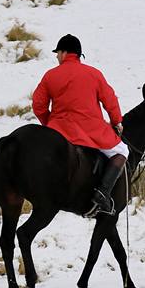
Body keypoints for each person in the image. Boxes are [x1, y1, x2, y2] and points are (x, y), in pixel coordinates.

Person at [32, 34, 127, 217]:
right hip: (91, 132)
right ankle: (102, 192)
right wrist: (117, 122)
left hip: (58, 132)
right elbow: (110, 100)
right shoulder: (94, 73)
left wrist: (50, 125)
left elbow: (38, 105)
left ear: (65, 52)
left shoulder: (50, 75)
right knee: (122, 151)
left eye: (58, 53)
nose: (57, 57)